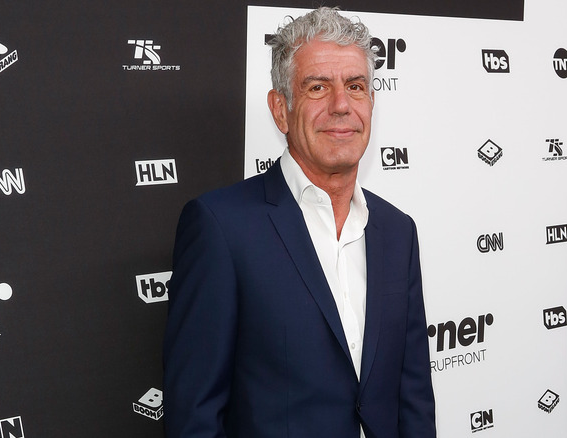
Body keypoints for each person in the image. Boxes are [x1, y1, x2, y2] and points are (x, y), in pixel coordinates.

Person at [163, 7, 436, 437]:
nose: (341, 105)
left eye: (356, 86)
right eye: (317, 87)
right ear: (281, 110)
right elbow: (194, 417)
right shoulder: (221, 228)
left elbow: (413, 396)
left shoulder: (398, 231)